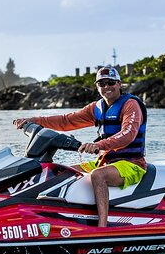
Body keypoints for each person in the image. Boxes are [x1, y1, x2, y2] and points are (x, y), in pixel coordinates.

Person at [13, 66, 147, 228]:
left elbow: (128, 134)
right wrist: (35, 120)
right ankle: (53, 219)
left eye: (110, 82)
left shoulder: (131, 105)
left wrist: (98, 145)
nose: (106, 87)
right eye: (101, 84)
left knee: (98, 175)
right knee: (60, 172)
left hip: (132, 164)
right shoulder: (96, 108)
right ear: (97, 87)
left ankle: (102, 227)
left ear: (119, 84)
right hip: (105, 162)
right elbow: (66, 121)